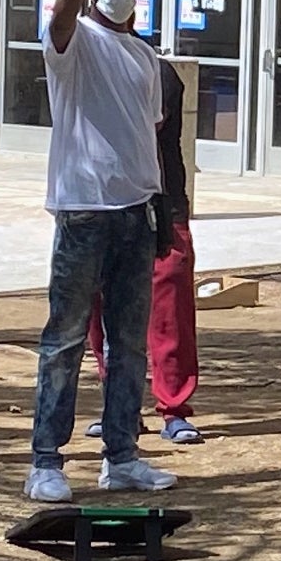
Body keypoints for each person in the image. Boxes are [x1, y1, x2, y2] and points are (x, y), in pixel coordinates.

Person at [26, 0, 178, 502]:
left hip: (135, 214)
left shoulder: (142, 56)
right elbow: (61, 19)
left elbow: (149, 134)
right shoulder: (75, 43)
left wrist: (160, 210)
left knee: (129, 343)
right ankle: (46, 459)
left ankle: (122, 455)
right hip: (84, 210)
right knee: (64, 337)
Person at [85, 39, 202, 445]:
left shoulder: (159, 73)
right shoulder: (82, 70)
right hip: (100, 204)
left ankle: (174, 408)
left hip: (160, 207)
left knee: (169, 308)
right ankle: (119, 406)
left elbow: (147, 128)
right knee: (101, 310)